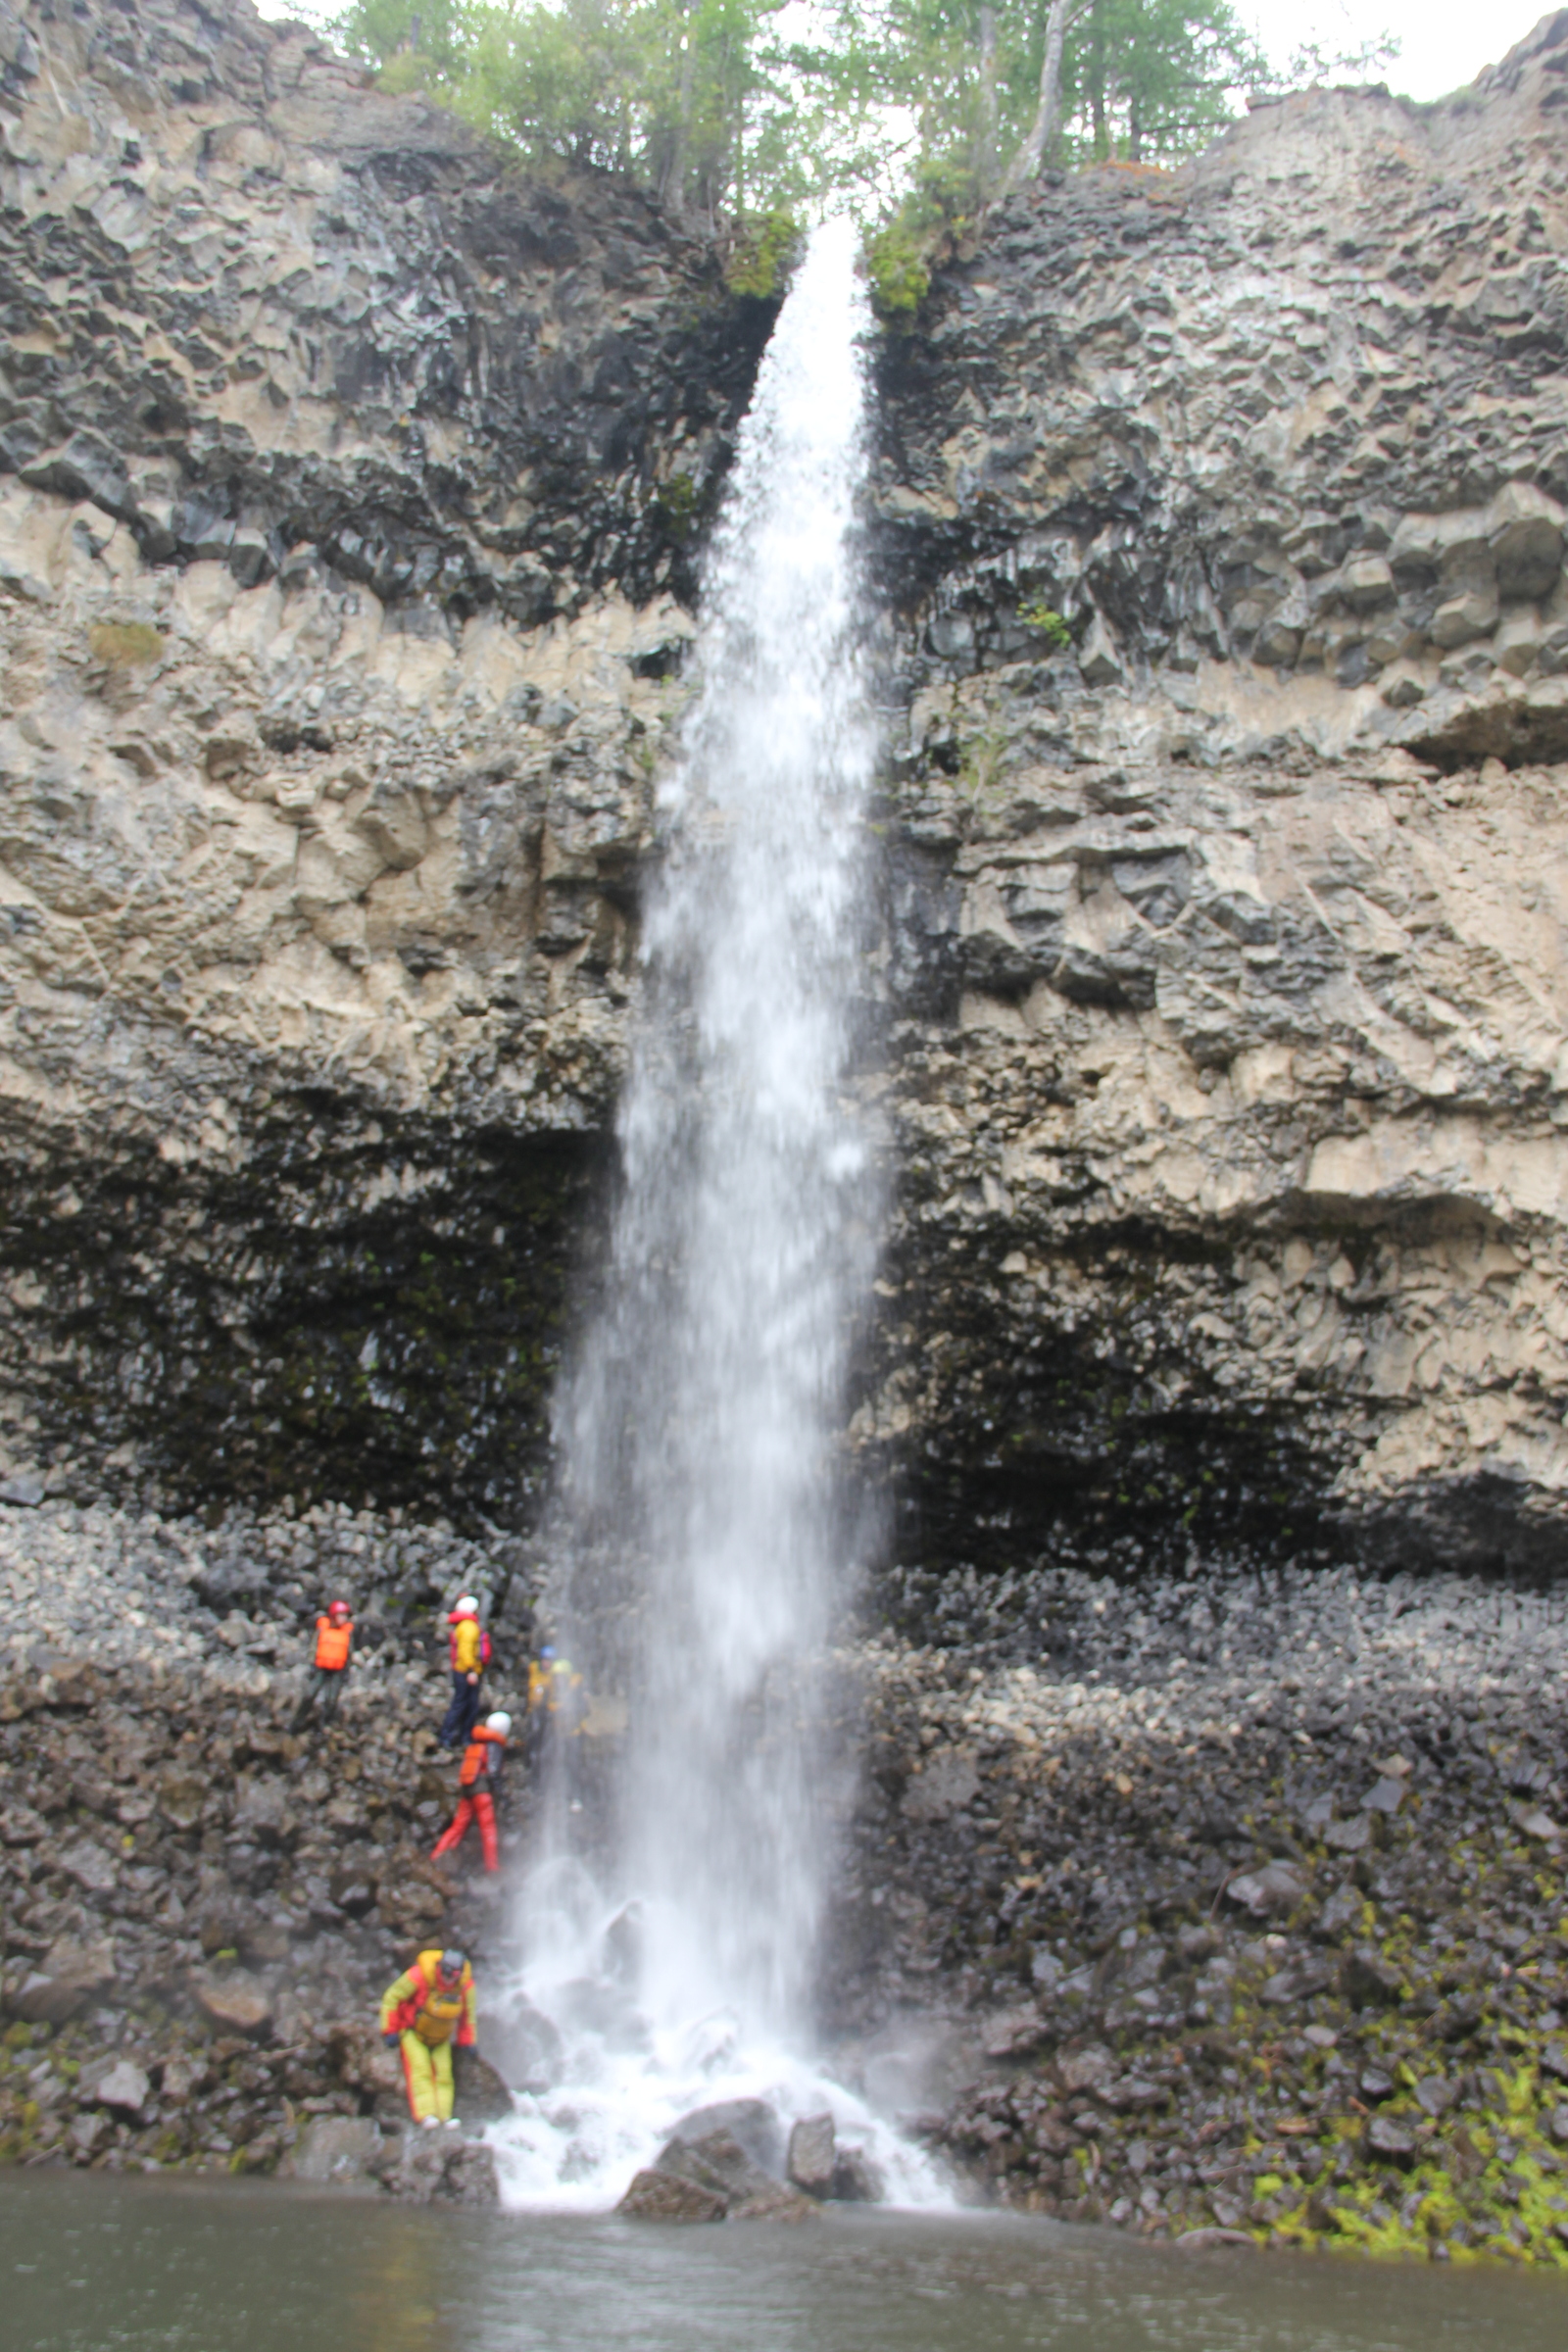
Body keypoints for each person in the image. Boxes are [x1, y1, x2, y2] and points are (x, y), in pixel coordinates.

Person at [379, 1946, 477, 2128]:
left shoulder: (465, 1987)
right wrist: (390, 2030)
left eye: (454, 1975)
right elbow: (392, 1997)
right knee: (421, 2070)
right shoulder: (419, 1976)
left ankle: (444, 2117)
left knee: (444, 2075)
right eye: (446, 1973)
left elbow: (467, 2016)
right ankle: (426, 2115)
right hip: (413, 2033)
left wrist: (467, 2042)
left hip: (441, 2039)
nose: (449, 1979)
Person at [431, 1712, 511, 1873]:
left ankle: (437, 1854)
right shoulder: (493, 1745)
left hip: (467, 1789)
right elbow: (494, 1771)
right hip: (482, 1792)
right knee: (488, 1829)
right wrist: (502, 1795)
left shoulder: (476, 1742)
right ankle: (492, 1866)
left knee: (458, 1825)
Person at [437, 1594, 490, 1750]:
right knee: (464, 1704)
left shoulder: (464, 1625)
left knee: (465, 1704)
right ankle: (454, 1736)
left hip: (462, 1670)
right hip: (466, 1671)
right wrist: (471, 1671)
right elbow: (465, 1651)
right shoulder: (469, 1627)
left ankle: (458, 1735)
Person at [290, 1597, 353, 1731]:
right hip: (320, 1667)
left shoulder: (347, 1632)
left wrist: (347, 1670)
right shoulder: (323, 1628)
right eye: (341, 1615)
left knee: (331, 1699)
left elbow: (349, 1652)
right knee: (309, 1694)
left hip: (337, 1670)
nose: (344, 1618)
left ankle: (325, 1724)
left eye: (345, 1616)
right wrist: (312, 1664)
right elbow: (313, 1646)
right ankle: (297, 1721)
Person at [524, 1642, 584, 1766]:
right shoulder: (537, 1673)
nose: (558, 1679)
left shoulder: (573, 1687)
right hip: (547, 1720)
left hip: (569, 1730)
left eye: (550, 1660)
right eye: (545, 1660)